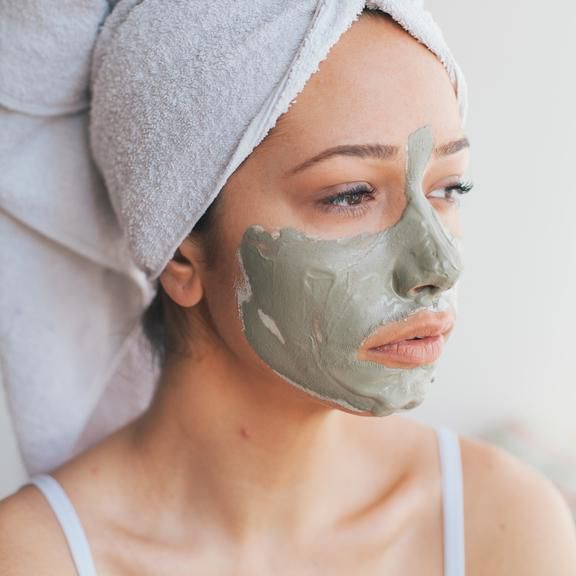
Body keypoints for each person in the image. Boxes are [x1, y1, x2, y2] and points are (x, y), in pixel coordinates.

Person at [1, 6, 575, 576]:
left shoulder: (502, 523)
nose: (439, 265)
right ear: (179, 252)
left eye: (449, 188)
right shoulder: (31, 559)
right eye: (350, 195)